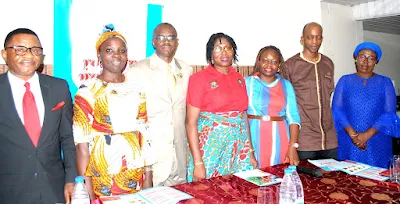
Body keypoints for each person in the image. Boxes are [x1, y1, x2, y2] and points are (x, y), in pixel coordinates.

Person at [73, 24, 154, 199]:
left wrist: (148, 175)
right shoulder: (87, 91)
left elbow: (144, 133)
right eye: (109, 50)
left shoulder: (136, 88)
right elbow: (81, 145)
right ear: (99, 56)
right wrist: (86, 186)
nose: (117, 55)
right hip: (102, 175)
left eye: (122, 50)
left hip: (135, 172)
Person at [0, 28, 77, 203]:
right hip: (9, 192)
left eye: (35, 50)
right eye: (20, 49)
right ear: (4, 54)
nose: (28, 55)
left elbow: (68, 138)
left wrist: (71, 179)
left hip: (54, 189)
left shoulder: (58, 88)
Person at [126, 23, 192, 186]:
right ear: (153, 42)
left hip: (179, 157)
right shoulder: (137, 71)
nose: (166, 41)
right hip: (152, 159)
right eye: (161, 38)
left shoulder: (186, 69)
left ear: (177, 42)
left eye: (171, 38)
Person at [186, 32, 257, 182]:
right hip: (210, 150)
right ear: (210, 53)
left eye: (228, 48)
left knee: (238, 190)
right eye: (218, 48)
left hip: (238, 148)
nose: (224, 52)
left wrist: (250, 151)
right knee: (208, 193)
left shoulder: (239, 79)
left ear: (233, 52)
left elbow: (243, 117)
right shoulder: (199, 79)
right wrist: (198, 162)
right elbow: (190, 123)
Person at [332, 42, 400, 168]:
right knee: (349, 180)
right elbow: (337, 110)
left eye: (371, 58)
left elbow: (389, 113)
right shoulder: (345, 81)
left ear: (376, 62)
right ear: (356, 59)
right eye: (362, 57)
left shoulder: (385, 82)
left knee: (378, 181)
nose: (366, 61)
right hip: (349, 139)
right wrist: (354, 136)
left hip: (377, 139)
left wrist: (366, 135)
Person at [280, 22, 338, 160]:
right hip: (304, 140)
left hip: (329, 139)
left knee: (333, 180)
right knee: (306, 181)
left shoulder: (327, 63)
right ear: (302, 39)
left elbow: (328, 95)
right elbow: (285, 101)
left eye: (318, 37)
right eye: (310, 37)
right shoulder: (290, 65)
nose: (315, 41)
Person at [246, 45, 301, 168]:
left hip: (280, 140)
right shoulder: (247, 83)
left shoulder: (286, 86)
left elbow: (293, 117)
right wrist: (248, 150)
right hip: (253, 141)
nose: (269, 65)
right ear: (259, 62)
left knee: (278, 179)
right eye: (265, 60)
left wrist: (292, 146)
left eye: (274, 62)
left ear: (279, 65)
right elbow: (241, 115)